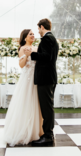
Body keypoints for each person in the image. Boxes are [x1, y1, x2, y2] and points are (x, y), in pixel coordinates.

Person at [0, 29, 44, 147]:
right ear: (25, 37)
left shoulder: (37, 48)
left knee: (37, 105)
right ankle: (24, 131)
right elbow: (21, 65)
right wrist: (26, 55)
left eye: (33, 34)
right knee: (26, 104)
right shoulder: (22, 48)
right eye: (30, 34)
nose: (33, 35)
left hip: (36, 80)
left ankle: (37, 131)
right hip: (27, 81)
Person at [24, 18, 59, 146]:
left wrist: (32, 53)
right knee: (47, 107)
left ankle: (48, 136)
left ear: (42, 27)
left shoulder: (47, 39)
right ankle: (47, 134)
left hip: (46, 78)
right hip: (49, 77)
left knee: (47, 108)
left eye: (38, 29)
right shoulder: (51, 39)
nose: (38, 31)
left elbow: (46, 57)